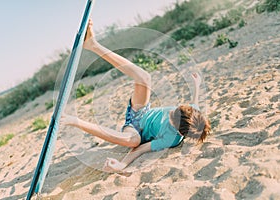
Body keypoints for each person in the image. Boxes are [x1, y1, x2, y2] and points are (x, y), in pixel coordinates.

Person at [61, 20, 211, 172]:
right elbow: (195, 102)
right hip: (141, 111)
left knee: (134, 141)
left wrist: (121, 165)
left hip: (135, 128)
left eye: (173, 117)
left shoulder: (170, 140)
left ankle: (76, 121)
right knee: (145, 77)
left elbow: (140, 149)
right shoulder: (191, 113)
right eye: (176, 110)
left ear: (179, 131)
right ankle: (93, 45)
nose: (171, 112)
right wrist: (197, 85)